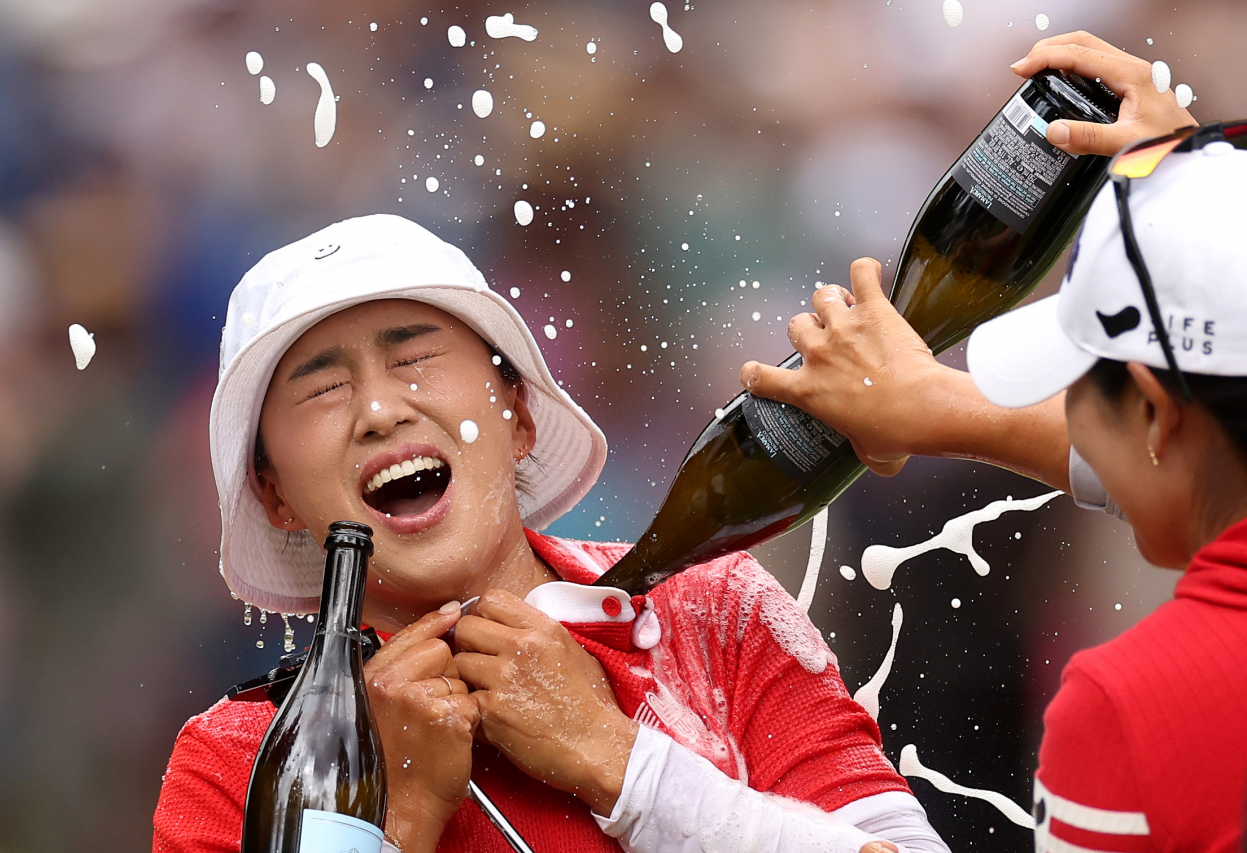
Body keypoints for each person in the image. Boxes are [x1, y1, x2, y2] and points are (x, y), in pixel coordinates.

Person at [152, 214, 950, 853]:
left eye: (416, 357)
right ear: (274, 494)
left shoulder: (714, 607)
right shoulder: (235, 761)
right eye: (323, 387)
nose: (379, 409)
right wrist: (395, 822)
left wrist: (617, 760)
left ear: (521, 415)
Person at [740, 32, 1247, 853]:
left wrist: (648, 786)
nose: (1071, 420)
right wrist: (1213, 192)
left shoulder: (1132, 710)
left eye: (1080, 386)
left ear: (1156, 414)